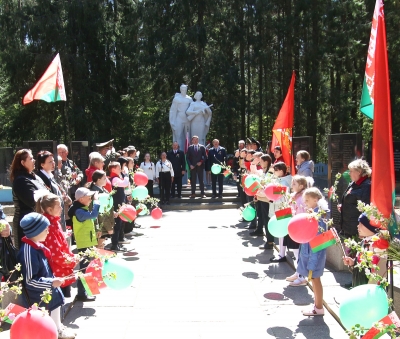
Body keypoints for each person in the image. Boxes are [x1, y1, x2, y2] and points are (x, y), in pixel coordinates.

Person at [17, 212, 76, 339]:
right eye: (45, 229)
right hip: (38, 293)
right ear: (35, 231)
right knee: (44, 314)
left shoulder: (37, 245)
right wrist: (50, 282)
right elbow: (29, 280)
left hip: (48, 288)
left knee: (55, 306)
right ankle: (53, 331)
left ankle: (57, 328)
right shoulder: (28, 251)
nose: (48, 232)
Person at [35, 191, 78, 298]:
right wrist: (71, 262)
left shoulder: (54, 222)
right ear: (49, 209)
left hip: (60, 267)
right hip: (56, 271)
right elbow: (54, 253)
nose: (61, 208)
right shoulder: (49, 226)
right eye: (58, 206)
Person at [296, 187, 328, 316]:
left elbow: (318, 236)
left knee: (315, 278)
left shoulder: (319, 215)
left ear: (316, 199)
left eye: (307, 200)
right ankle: (317, 305)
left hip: (315, 251)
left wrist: (312, 261)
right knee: (315, 279)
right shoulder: (317, 212)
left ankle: (318, 308)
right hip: (313, 250)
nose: (305, 203)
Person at [10, 149, 47, 248]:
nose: (34, 160)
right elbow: (32, 201)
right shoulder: (21, 180)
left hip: (37, 223)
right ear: (22, 162)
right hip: (27, 226)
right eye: (31, 158)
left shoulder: (34, 177)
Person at [68, 187, 100, 301]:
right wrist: (97, 202)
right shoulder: (79, 211)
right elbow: (93, 215)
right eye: (89, 197)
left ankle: (84, 291)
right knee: (84, 268)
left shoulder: (81, 208)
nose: (91, 199)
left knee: (86, 267)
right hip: (84, 243)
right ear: (81, 199)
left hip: (87, 241)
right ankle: (81, 293)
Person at [342, 213, 387, 287]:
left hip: (369, 289)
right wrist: (353, 263)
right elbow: (363, 266)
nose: (358, 226)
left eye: (361, 224)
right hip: (360, 284)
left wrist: (370, 290)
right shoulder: (364, 242)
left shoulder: (378, 246)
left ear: (370, 227)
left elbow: (379, 271)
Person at [285, 175, 310, 286]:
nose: (292, 186)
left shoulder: (303, 197)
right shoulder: (295, 195)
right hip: (296, 226)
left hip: (301, 227)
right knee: (297, 252)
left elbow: (301, 212)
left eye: (294, 184)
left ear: (301, 185)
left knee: (302, 252)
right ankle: (298, 272)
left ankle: (302, 276)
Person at [35, 151, 68, 232]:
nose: (53, 163)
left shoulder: (50, 176)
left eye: (53, 161)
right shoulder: (41, 178)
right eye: (50, 162)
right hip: (50, 216)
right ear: (42, 165)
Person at [338, 159, 372, 237]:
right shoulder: (353, 183)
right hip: (347, 227)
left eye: (351, 171)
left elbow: (366, 210)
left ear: (359, 172)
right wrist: (344, 206)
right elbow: (352, 201)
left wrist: (362, 231)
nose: (349, 173)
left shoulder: (367, 186)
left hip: (357, 230)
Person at [269, 162, 292, 263]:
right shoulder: (279, 180)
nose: (274, 172)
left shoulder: (284, 182)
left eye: (275, 170)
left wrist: (270, 197)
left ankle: (282, 254)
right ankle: (281, 253)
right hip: (279, 208)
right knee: (281, 233)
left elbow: (281, 198)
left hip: (282, 209)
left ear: (281, 171)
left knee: (281, 232)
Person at [88, 170, 115, 249]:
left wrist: (113, 212)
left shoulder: (103, 190)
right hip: (99, 225)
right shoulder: (95, 193)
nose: (106, 180)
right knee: (99, 247)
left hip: (103, 224)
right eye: (104, 178)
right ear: (98, 180)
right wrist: (109, 227)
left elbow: (106, 207)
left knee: (101, 246)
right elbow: (99, 213)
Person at [108, 162, 131, 252]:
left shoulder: (117, 178)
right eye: (118, 168)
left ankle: (117, 242)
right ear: (113, 169)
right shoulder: (114, 179)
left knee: (119, 224)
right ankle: (114, 244)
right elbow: (125, 183)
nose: (120, 170)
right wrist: (125, 174)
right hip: (116, 204)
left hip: (120, 203)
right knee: (117, 224)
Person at [253, 154, 274, 248]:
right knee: (263, 218)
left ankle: (270, 241)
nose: (260, 163)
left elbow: (268, 185)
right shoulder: (263, 171)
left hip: (267, 199)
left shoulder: (271, 171)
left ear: (266, 161)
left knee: (267, 220)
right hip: (261, 198)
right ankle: (268, 240)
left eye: (261, 161)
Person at [169, 84, 193, 151]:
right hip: (179, 118)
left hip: (187, 119)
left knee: (188, 136)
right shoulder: (177, 99)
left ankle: (189, 152)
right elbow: (173, 111)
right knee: (178, 135)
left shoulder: (189, 99)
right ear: (180, 89)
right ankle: (179, 151)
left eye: (185, 89)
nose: (183, 90)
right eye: (182, 89)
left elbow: (192, 109)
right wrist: (172, 122)